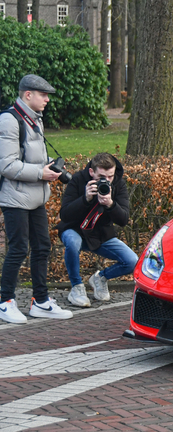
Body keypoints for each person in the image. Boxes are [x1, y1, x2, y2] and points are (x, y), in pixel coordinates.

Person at [0, 74, 73, 323]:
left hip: (36, 197)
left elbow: (30, 158)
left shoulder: (35, 120)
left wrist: (49, 167)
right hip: (15, 198)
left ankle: (40, 302)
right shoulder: (9, 121)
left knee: (42, 247)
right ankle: (5, 301)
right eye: (43, 95)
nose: (47, 100)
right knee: (18, 248)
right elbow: (7, 165)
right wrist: (40, 173)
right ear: (27, 95)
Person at [56, 153, 138, 307]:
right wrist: (85, 199)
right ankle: (76, 287)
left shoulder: (118, 184)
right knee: (73, 242)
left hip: (101, 235)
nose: (105, 181)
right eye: (101, 176)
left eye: (110, 176)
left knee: (132, 261)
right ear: (91, 172)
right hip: (75, 230)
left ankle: (100, 278)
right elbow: (65, 215)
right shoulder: (78, 179)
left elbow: (123, 220)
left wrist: (111, 204)